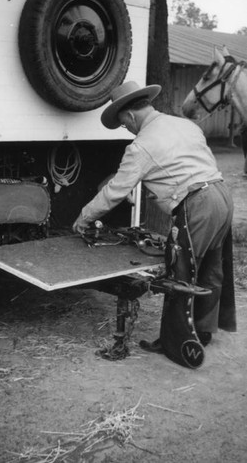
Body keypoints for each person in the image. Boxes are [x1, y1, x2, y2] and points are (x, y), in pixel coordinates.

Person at [72, 80, 236, 364]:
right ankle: (204, 331)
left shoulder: (142, 145)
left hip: (197, 204)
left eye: (124, 123)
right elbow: (182, 166)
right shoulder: (185, 125)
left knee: (179, 274)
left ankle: (178, 346)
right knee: (211, 267)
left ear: (131, 115)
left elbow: (115, 192)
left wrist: (84, 217)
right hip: (222, 195)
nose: (127, 128)